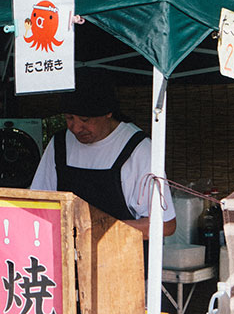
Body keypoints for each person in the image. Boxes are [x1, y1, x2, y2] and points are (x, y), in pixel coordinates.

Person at [30, 71, 176, 238]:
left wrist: (99, 229)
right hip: (68, 258)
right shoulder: (59, 144)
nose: (76, 128)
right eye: (70, 118)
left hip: (123, 259)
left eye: (85, 120)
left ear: (108, 112)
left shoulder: (138, 149)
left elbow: (165, 225)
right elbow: (39, 204)